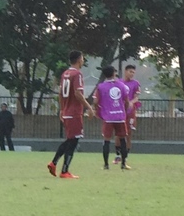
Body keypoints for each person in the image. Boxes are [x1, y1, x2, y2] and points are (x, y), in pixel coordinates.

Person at [48, 51, 95, 179]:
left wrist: (62, 109)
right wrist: (89, 107)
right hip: (74, 113)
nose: (83, 61)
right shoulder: (77, 74)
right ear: (79, 60)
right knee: (73, 142)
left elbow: (60, 93)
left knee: (70, 140)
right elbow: (78, 93)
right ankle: (64, 171)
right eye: (83, 58)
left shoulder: (65, 74)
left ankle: (54, 163)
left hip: (67, 112)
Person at [95, 65, 131, 171]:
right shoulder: (121, 85)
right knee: (123, 139)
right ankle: (123, 163)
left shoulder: (101, 87)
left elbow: (96, 102)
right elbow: (127, 101)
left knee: (106, 140)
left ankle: (106, 165)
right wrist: (123, 111)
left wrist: (100, 111)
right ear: (114, 73)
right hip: (120, 116)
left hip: (108, 117)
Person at [119, 64, 141, 164]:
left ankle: (126, 155)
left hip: (130, 111)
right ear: (125, 71)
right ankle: (118, 154)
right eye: (130, 71)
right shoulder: (119, 82)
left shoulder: (135, 83)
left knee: (128, 133)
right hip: (120, 111)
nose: (132, 74)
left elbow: (136, 97)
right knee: (119, 133)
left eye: (133, 72)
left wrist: (131, 103)